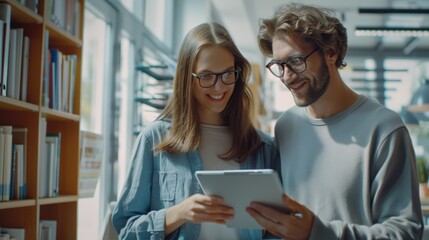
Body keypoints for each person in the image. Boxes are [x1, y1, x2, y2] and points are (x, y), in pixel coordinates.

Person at [246, 3, 424, 239]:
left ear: (331, 52)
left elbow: (406, 232)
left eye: (296, 61)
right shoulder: (286, 126)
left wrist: (318, 232)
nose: (287, 76)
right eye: (279, 66)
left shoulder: (385, 129)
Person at [111, 22, 280, 240]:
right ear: (187, 78)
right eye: (206, 76)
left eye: (228, 74)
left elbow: (278, 229)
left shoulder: (263, 146)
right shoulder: (154, 139)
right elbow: (126, 230)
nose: (219, 87)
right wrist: (178, 214)